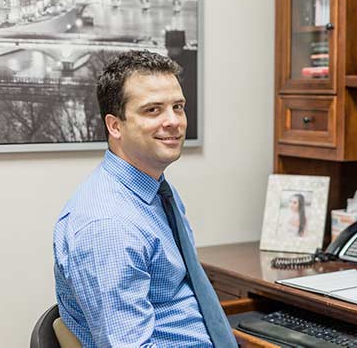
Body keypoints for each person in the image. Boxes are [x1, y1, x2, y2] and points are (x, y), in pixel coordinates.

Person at [53, 50, 237, 347]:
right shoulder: (109, 226)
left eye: (178, 107)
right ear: (115, 126)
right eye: (153, 110)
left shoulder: (155, 192)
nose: (174, 121)